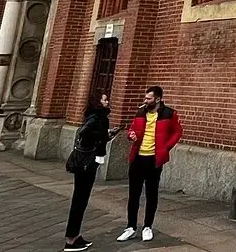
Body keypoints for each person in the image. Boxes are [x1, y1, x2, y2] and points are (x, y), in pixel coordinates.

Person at [117, 86, 183, 243]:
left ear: (158, 99)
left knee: (151, 194)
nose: (145, 101)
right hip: (137, 157)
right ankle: (131, 227)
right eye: (145, 98)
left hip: (154, 159)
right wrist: (131, 135)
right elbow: (133, 128)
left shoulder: (169, 114)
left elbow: (177, 131)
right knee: (133, 194)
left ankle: (147, 226)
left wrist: (166, 147)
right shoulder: (140, 112)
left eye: (149, 98)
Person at [64, 92, 119, 252]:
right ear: (98, 102)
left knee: (80, 200)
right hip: (86, 164)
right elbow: (84, 133)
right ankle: (71, 239)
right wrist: (102, 134)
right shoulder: (98, 117)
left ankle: (74, 236)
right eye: (104, 99)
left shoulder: (95, 116)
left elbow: (94, 137)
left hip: (87, 163)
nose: (107, 101)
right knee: (80, 201)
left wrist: (107, 136)